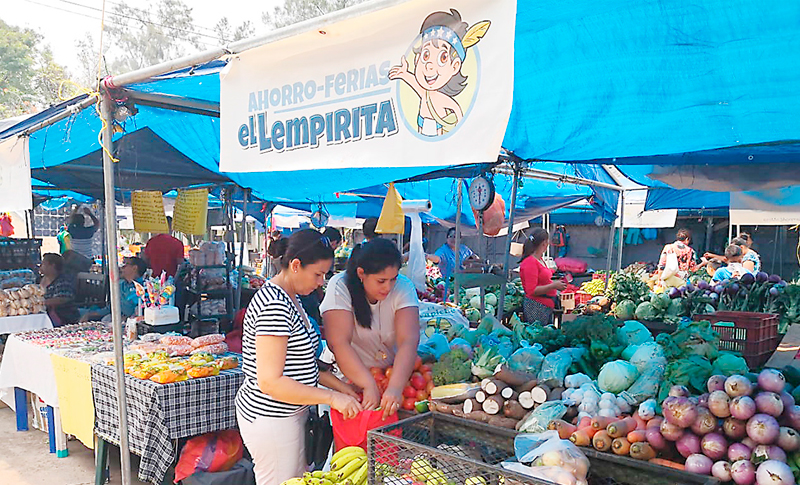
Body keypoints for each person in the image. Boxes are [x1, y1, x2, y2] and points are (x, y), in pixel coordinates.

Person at [236, 229, 362, 485]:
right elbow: (271, 382)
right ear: (295, 265)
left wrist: (344, 389)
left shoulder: (292, 299)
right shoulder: (274, 305)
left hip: (289, 415)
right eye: (317, 274)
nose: (321, 282)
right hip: (272, 418)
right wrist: (332, 397)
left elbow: (304, 366)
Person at [321, 238, 420, 418]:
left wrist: (395, 387)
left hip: (386, 378)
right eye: (381, 281)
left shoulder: (404, 287)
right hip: (345, 384)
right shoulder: (340, 286)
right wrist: (368, 384)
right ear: (361, 273)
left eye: (393, 279)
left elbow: (409, 340)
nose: (388, 287)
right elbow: (339, 343)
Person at [519, 228, 567, 324]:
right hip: (536, 307)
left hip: (546, 306)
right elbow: (531, 290)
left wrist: (553, 272)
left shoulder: (539, 259)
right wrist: (554, 285)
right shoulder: (530, 262)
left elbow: (542, 274)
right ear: (544, 243)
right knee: (539, 335)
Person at [80, 257, 147, 322]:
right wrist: (89, 315)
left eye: (124, 265)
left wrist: (128, 319)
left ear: (134, 268)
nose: (121, 268)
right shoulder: (121, 285)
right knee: (80, 312)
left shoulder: (143, 288)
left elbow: (143, 312)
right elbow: (112, 307)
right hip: (116, 319)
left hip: (132, 324)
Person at [40, 253, 80, 326]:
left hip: (62, 315)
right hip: (45, 313)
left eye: (43, 264)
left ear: (52, 265)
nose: (40, 266)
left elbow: (62, 299)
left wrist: (40, 303)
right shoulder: (41, 279)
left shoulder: (63, 281)